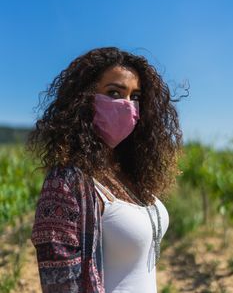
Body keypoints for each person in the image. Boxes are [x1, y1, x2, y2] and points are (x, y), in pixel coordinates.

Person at [27, 47, 184, 293]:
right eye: (114, 93)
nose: (128, 105)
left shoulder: (130, 172)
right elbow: (60, 283)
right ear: (84, 99)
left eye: (136, 97)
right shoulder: (66, 181)